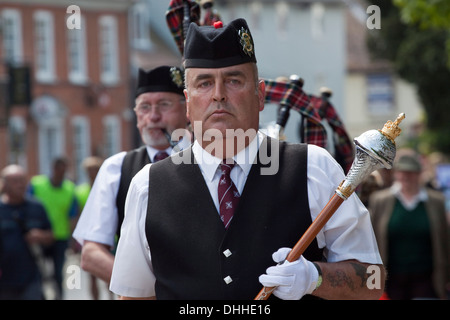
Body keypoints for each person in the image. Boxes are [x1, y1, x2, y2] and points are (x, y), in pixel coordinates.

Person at [110, 18, 385, 300]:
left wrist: (316, 278)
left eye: (233, 80)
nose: (218, 95)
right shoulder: (147, 186)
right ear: (188, 103)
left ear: (261, 94)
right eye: (204, 83)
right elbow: (134, 296)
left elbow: (373, 283)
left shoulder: (313, 168)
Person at [72, 66, 190, 286]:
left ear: (187, 110)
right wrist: (146, 290)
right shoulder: (117, 168)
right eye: (144, 107)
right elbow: (91, 253)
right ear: (136, 115)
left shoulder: (211, 159)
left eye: (164, 104)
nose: (153, 116)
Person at [369, 150, 450, 299]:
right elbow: (371, 240)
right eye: (402, 172)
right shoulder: (380, 200)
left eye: (411, 172)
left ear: (419, 174)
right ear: (396, 174)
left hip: (426, 278)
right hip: (391, 279)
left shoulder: (436, 201)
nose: (406, 176)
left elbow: (445, 240)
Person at [0, 165, 53, 299]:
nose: (20, 185)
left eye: (23, 180)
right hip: (4, 280)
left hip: (31, 277)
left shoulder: (37, 207)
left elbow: (51, 236)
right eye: (15, 181)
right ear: (4, 184)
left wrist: (41, 236)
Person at [29, 157, 78, 299]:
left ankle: (59, 297)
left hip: (60, 236)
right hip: (40, 236)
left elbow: (72, 215)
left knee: (58, 273)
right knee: (38, 271)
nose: (62, 174)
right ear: (53, 169)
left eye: (64, 171)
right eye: (60, 171)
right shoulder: (37, 184)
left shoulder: (69, 188)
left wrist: (72, 238)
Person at [74, 156, 104, 299]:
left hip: (108, 236)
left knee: (112, 274)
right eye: (89, 170)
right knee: (92, 274)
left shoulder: (107, 188)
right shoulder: (79, 191)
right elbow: (76, 215)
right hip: (88, 237)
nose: (91, 173)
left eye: (94, 170)